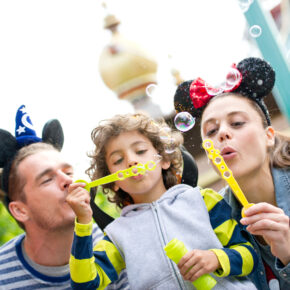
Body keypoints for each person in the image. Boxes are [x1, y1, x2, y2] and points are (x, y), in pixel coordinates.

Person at [67, 112, 258, 290]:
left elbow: (250, 256)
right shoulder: (117, 236)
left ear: (164, 160)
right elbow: (85, 284)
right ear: (113, 181)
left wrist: (216, 259)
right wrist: (83, 222)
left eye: (140, 151)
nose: (131, 161)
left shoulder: (203, 201)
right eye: (118, 160)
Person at [174, 57, 290, 290]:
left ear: (269, 136)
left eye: (236, 123)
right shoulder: (211, 220)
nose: (223, 134)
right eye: (211, 130)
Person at [0, 105, 129, 289]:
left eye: (68, 172)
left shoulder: (113, 246)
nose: (68, 181)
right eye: (47, 180)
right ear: (20, 210)